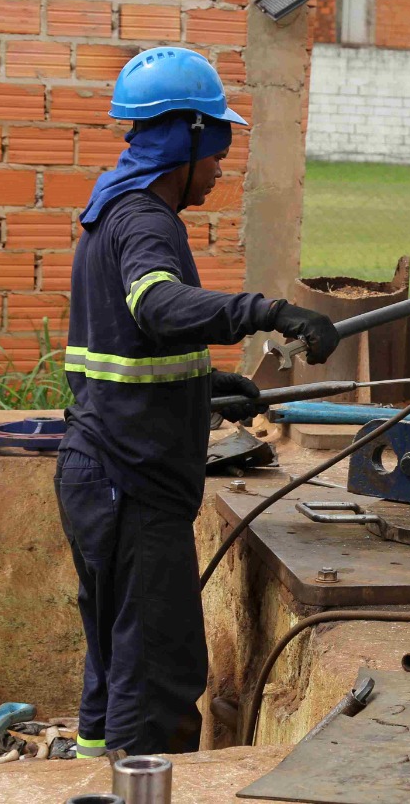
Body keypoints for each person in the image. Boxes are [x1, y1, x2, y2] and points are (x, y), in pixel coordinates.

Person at [57, 47, 341, 758]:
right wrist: (268, 310)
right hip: (131, 484)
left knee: (118, 666)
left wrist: (205, 388)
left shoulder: (110, 208)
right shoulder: (146, 221)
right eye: (215, 146)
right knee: (159, 675)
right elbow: (157, 306)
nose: (220, 167)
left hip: (104, 471)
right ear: (184, 137)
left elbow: (120, 347)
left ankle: (92, 778)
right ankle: (138, 787)